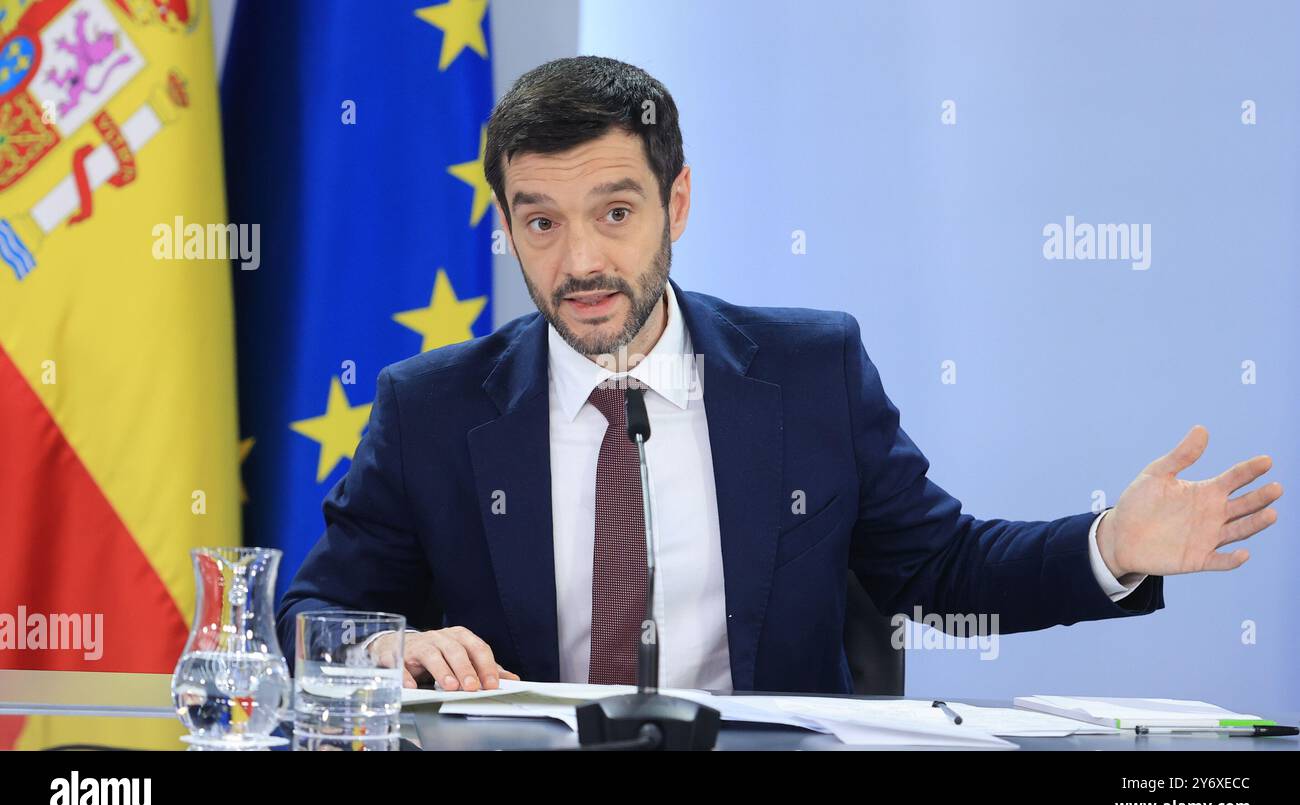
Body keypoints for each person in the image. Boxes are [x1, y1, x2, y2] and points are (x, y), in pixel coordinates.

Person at [276, 56, 1282, 694]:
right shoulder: (430, 406)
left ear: (677, 202)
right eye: (540, 220)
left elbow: (939, 569)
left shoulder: (809, 371)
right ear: (505, 227)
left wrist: (1111, 543)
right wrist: (377, 649)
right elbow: (310, 613)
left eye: (614, 212)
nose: (578, 258)